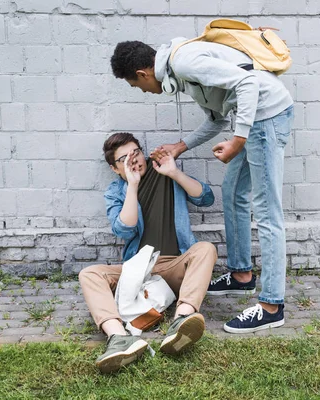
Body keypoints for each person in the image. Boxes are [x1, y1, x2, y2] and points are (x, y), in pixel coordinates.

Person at [110, 37, 294, 334]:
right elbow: (218, 119)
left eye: (136, 86)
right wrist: (179, 147)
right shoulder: (180, 73)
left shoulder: (183, 62)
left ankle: (272, 306)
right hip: (254, 122)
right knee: (233, 193)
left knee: (267, 211)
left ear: (143, 74)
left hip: (267, 118)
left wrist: (239, 140)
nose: (143, 91)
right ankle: (241, 274)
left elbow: (248, 84)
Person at [79, 132, 217, 373]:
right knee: (89, 274)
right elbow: (125, 228)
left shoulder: (164, 170)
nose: (133, 160)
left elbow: (206, 198)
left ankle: (181, 321)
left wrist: (174, 172)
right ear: (114, 168)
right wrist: (132, 186)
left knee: (206, 249)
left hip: (175, 265)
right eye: (124, 158)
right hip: (139, 270)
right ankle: (119, 338)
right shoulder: (116, 191)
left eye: (135, 152)